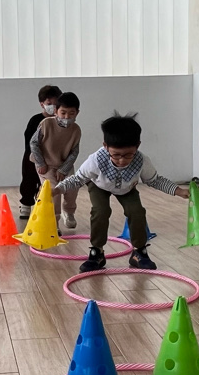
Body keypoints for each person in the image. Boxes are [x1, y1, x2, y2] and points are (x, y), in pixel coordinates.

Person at [53, 113, 188, 272]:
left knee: (137, 211)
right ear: (105, 146)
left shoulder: (141, 161)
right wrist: (57, 190)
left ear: (137, 146)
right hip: (99, 186)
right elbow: (77, 179)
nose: (122, 160)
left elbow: (155, 180)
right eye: (116, 155)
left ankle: (139, 252)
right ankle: (97, 252)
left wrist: (178, 191)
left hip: (127, 187)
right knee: (100, 211)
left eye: (128, 155)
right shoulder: (95, 160)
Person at [30, 92, 81, 231]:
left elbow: (74, 152)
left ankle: (69, 212)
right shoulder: (46, 123)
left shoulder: (76, 130)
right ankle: (54, 222)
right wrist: (40, 163)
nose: (67, 117)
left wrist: (63, 170)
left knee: (72, 187)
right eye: (63, 113)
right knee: (53, 191)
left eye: (71, 113)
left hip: (64, 165)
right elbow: (34, 143)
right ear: (56, 111)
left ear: (77, 113)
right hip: (46, 165)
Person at [20, 85, 62, 218]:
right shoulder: (35, 120)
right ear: (42, 104)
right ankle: (26, 204)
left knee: (48, 184)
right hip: (33, 157)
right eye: (49, 104)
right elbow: (30, 141)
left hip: (52, 158)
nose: (52, 107)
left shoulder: (61, 121)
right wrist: (38, 160)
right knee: (29, 180)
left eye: (55, 103)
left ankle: (44, 207)